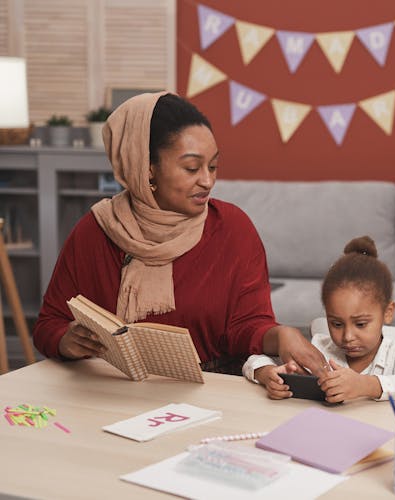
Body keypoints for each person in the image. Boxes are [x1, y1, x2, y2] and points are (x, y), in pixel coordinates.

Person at [33, 91, 327, 376]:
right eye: (191, 168)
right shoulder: (95, 231)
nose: (208, 180)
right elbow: (49, 323)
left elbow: (248, 326)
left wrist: (281, 335)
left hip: (210, 393)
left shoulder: (233, 229)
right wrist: (65, 340)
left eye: (213, 166)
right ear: (147, 169)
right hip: (112, 392)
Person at [243, 236, 395, 403]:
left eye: (360, 324)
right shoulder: (319, 350)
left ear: (388, 312)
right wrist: (266, 373)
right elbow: (252, 361)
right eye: (336, 324)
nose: (347, 336)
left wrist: (366, 385)